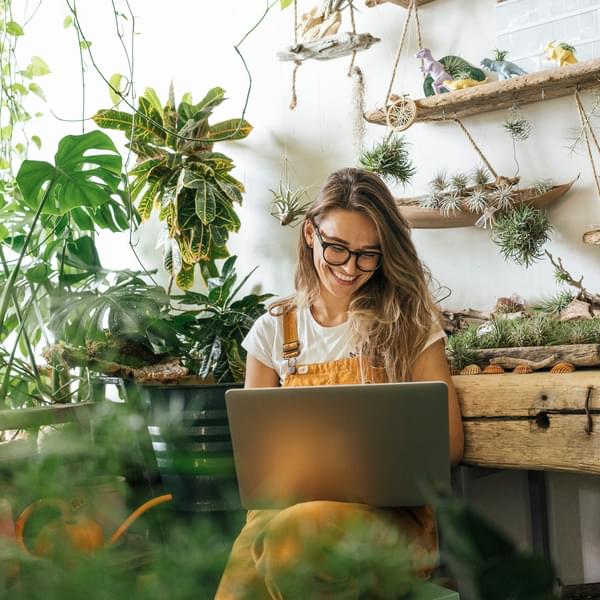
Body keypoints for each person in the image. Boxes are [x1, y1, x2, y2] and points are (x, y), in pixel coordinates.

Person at [215, 167, 464, 600]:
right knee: (266, 556)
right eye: (338, 249)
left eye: (369, 254)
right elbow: (257, 462)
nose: (351, 268)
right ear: (311, 233)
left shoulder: (412, 326)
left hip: (388, 522)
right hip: (278, 519)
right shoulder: (273, 330)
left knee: (295, 541)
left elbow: (450, 445)